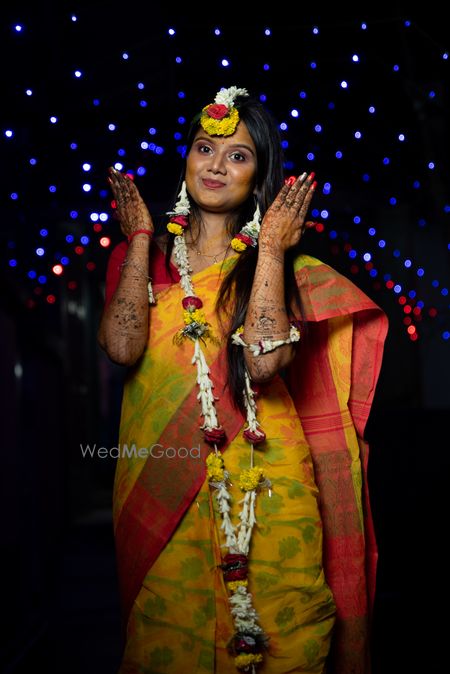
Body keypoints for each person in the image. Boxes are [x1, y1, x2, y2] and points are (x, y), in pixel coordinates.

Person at [98, 85, 388, 674]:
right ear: (186, 158)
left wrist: (272, 249)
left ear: (258, 178)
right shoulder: (143, 257)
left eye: (238, 156)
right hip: (167, 479)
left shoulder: (288, 269)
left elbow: (261, 363)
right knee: (168, 637)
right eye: (205, 148)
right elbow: (122, 348)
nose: (216, 165)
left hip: (269, 484)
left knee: (283, 636)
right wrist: (139, 239)